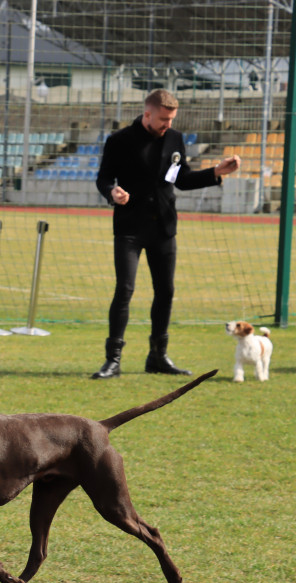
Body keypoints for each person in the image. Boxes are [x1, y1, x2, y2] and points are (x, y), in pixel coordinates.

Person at [92, 89, 240, 379]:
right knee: (125, 290)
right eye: (163, 119)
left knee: (166, 291)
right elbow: (103, 177)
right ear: (147, 113)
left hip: (163, 227)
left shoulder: (174, 139)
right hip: (130, 227)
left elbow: (181, 179)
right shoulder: (119, 141)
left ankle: (158, 356)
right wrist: (112, 191)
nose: (168, 124)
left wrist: (215, 171)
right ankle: (113, 360)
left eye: (171, 119)